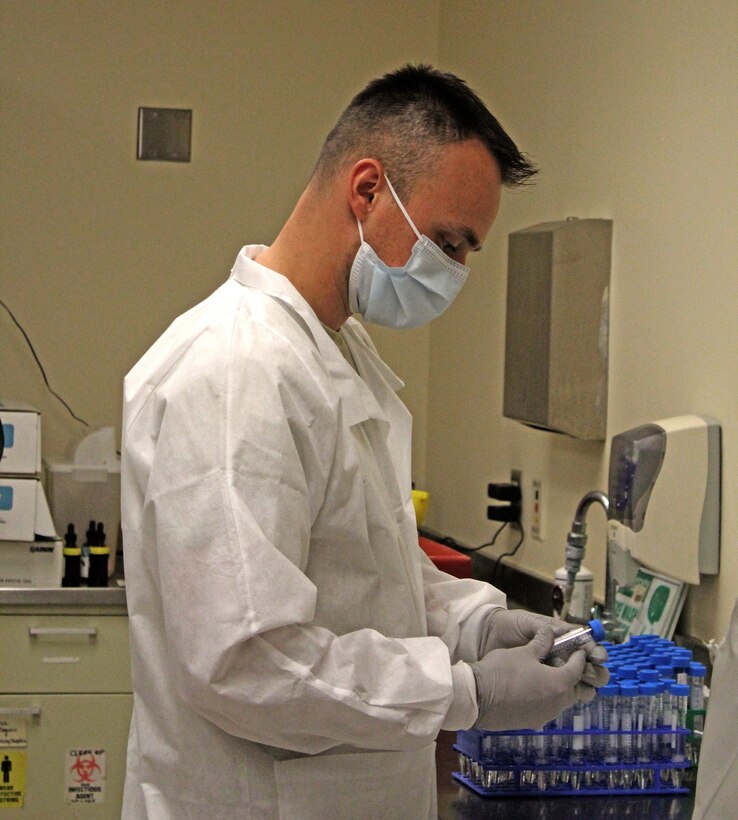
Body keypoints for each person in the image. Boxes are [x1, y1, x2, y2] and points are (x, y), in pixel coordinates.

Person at [121, 64, 608, 819]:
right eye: (448, 241)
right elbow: (248, 660)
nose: (455, 273)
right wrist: (465, 692)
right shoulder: (237, 373)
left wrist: (474, 623)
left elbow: (369, 572)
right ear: (368, 189)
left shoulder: (333, 354)